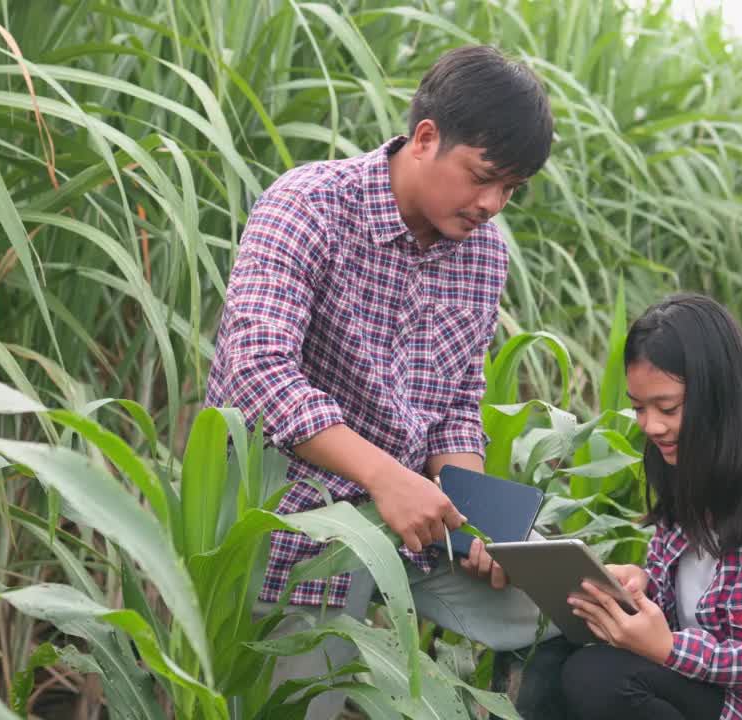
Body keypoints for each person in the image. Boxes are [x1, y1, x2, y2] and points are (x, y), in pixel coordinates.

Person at [203, 45, 560, 718]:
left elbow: (458, 404)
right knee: (295, 702)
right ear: (425, 138)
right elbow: (256, 369)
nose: (492, 204)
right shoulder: (309, 205)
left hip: (418, 514)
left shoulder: (483, 253)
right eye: (482, 176)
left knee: (573, 609)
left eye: (510, 189)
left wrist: (477, 521)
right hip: (292, 516)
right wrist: (383, 476)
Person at [559, 293, 742, 719]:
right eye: (639, 408)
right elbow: (683, 610)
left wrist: (671, 648)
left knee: (598, 677)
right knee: (558, 660)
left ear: (721, 397)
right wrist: (638, 588)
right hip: (710, 696)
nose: (651, 426)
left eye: (668, 408)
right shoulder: (685, 482)